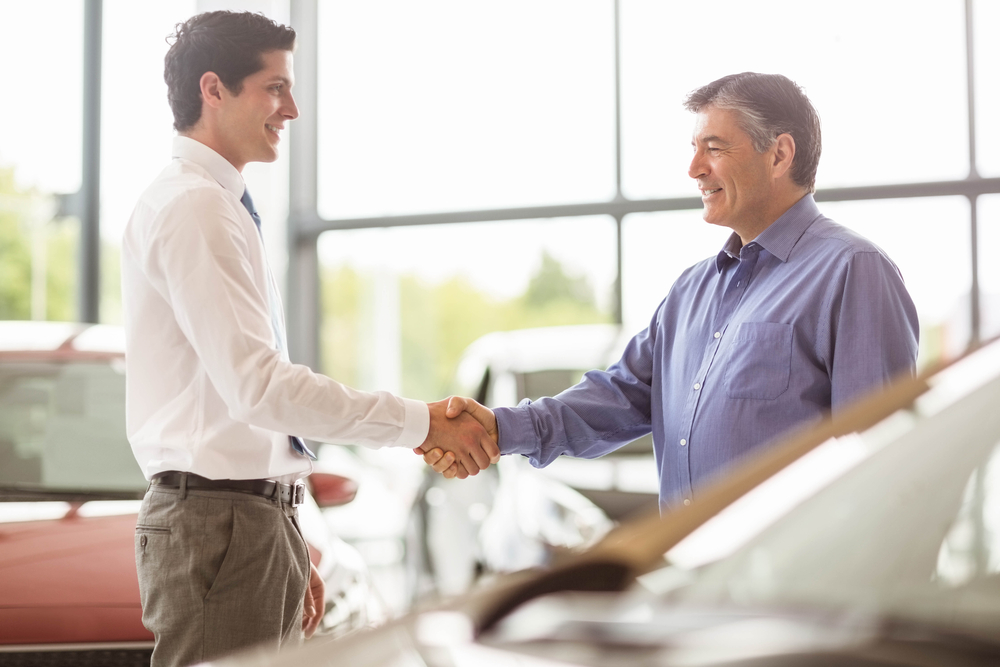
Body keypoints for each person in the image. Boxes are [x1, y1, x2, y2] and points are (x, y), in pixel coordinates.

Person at [121, 11, 497, 667]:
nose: (290, 108)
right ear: (214, 89)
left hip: (244, 522)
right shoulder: (196, 206)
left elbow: (235, 396)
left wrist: (284, 540)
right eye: (274, 87)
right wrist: (421, 423)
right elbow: (260, 387)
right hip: (226, 522)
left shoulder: (215, 202)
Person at [419, 72, 919, 511]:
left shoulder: (853, 271)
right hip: (697, 590)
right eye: (695, 149)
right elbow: (619, 395)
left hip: (796, 601)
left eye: (715, 148)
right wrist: (501, 429)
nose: (694, 168)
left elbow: (881, 463)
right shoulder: (692, 291)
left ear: (780, 154)